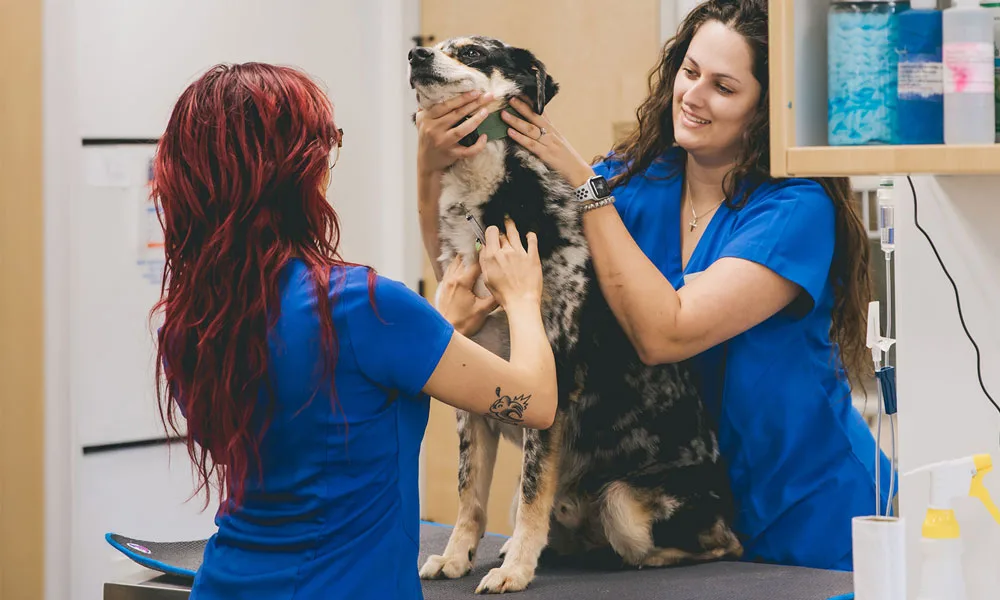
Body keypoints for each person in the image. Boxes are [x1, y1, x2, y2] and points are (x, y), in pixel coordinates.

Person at [414, 0, 894, 572]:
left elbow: (664, 334)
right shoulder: (639, 180)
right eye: (689, 73)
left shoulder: (795, 209)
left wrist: (585, 183)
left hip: (803, 503)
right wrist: (429, 164)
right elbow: (467, 281)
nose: (693, 96)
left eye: (724, 87)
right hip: (669, 498)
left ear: (766, 108)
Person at [151, 62, 558, 600]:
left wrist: (437, 326)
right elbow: (537, 403)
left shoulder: (189, 324)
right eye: (325, 146)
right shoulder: (361, 307)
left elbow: (320, 412)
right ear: (295, 172)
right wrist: (524, 299)